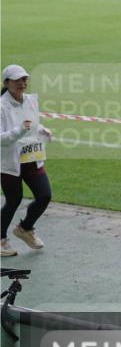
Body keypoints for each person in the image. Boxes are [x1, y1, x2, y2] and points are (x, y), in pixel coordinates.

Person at [1, 65, 52, 257]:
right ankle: (0, 238)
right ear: (7, 83)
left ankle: (25, 228)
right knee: (13, 200)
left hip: (31, 158)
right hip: (9, 163)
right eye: (17, 80)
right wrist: (19, 131)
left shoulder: (31, 101)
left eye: (24, 79)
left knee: (44, 195)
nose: (22, 83)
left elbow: (32, 125)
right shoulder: (1, 106)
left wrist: (43, 130)